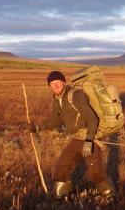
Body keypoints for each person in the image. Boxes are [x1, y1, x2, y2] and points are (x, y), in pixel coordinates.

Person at [28, 70, 116, 198]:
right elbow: (56, 120)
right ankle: (62, 197)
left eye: (58, 83)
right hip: (77, 138)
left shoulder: (76, 96)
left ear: (63, 82)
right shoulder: (57, 99)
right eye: (52, 84)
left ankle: (111, 196)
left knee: (94, 172)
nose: (56, 86)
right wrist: (37, 127)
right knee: (61, 166)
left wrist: (88, 141)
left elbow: (92, 119)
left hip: (90, 136)